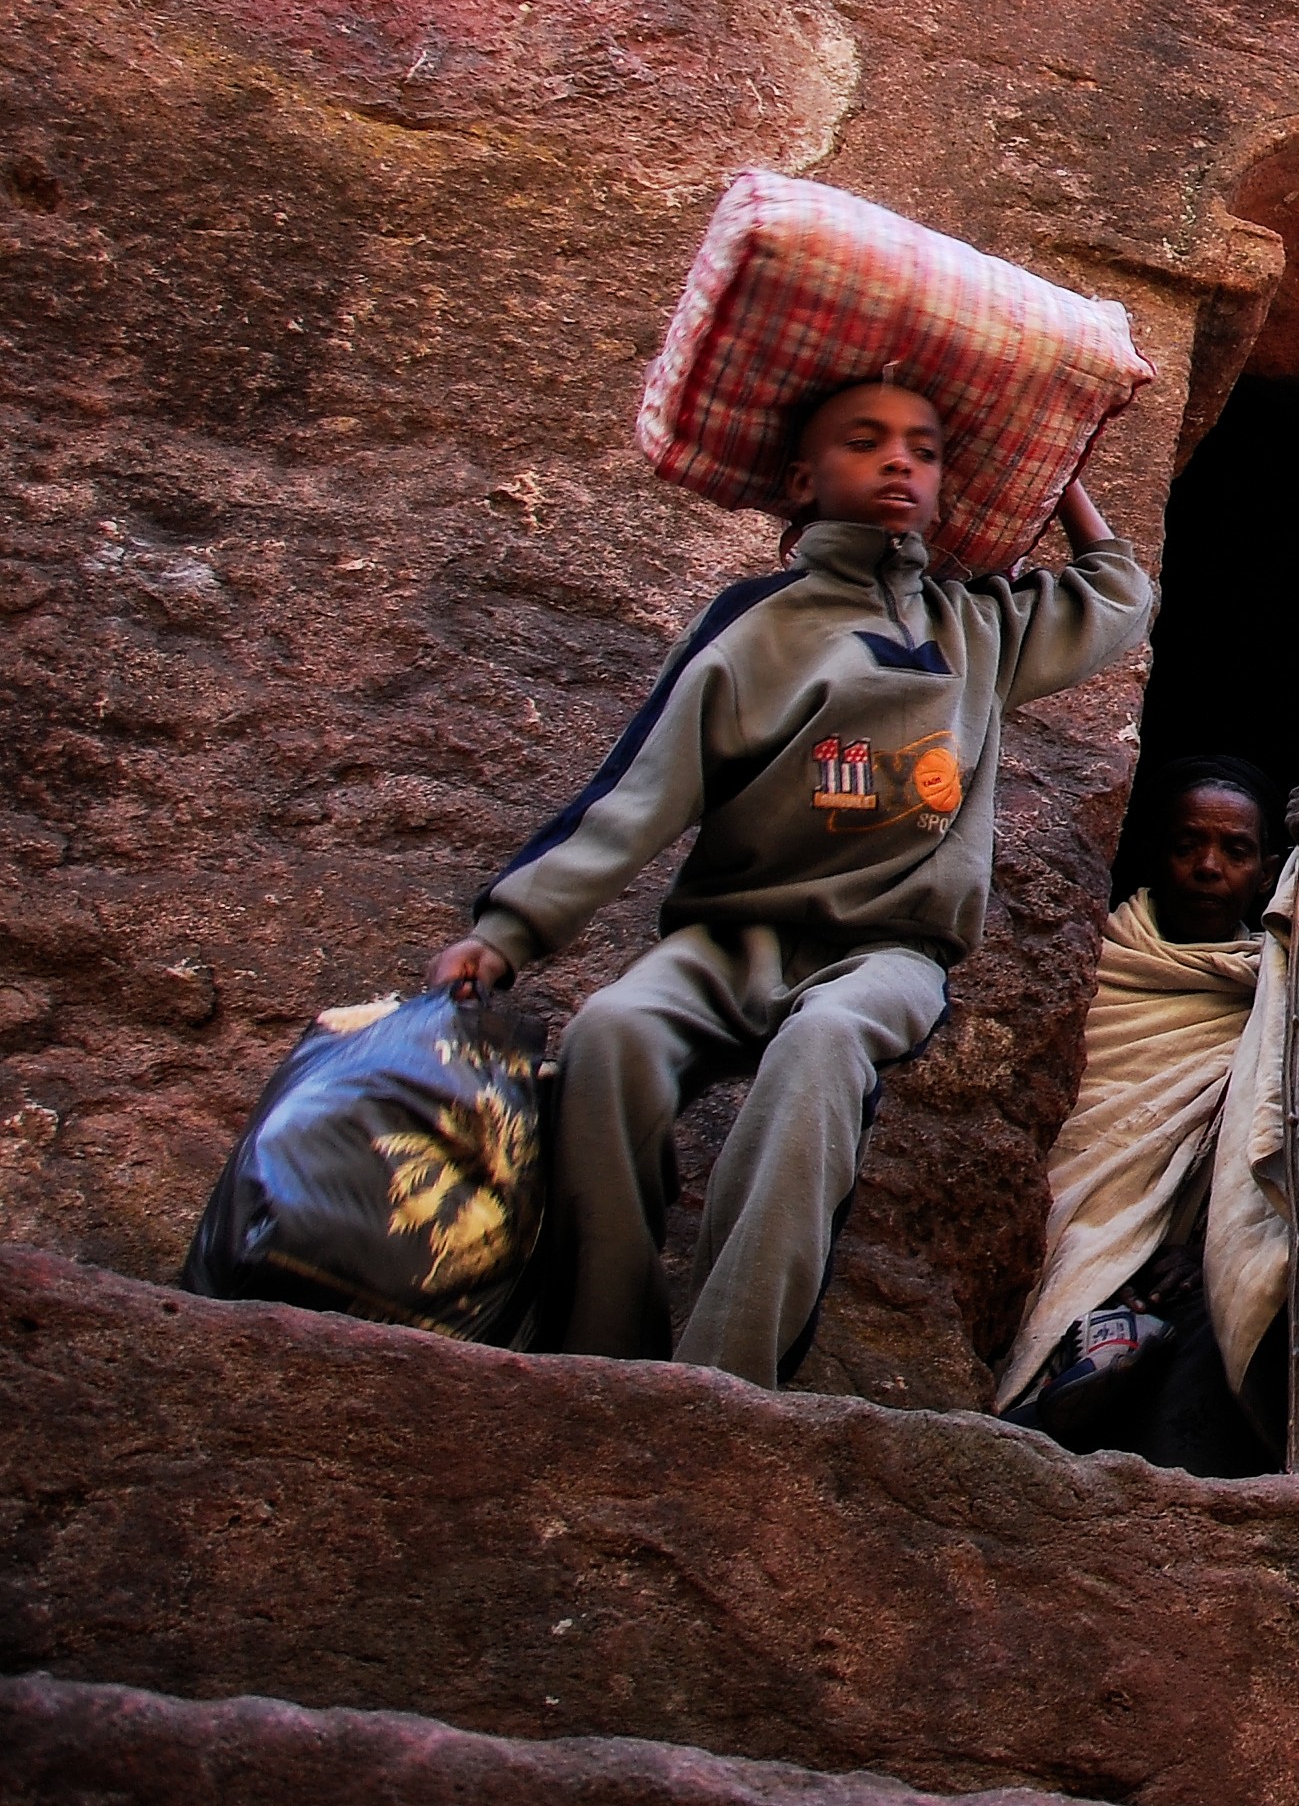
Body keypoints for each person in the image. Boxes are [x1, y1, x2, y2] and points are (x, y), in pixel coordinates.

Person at [425, 378, 1155, 1387]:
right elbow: (635, 797)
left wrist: (1062, 476)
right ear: (804, 479)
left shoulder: (982, 628)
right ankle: (594, 1360)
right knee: (609, 1035)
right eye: (865, 442)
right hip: (726, 940)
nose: (900, 461)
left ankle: (723, 1384)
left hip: (887, 953)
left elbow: (1121, 597)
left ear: (949, 489)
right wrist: (506, 932)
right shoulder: (753, 628)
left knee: (821, 1046)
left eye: (924, 449)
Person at [995, 754, 1299, 1478]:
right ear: (1155, 855)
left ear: (1265, 875)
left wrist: (1204, 1250)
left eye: (1235, 850)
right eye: (1188, 844)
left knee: (1233, 1313)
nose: (1207, 866)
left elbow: (1298, 1147)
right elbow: (1087, 1149)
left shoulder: (1284, 994)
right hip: (1074, 1254)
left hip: (1195, 1280)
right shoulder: (1093, 969)